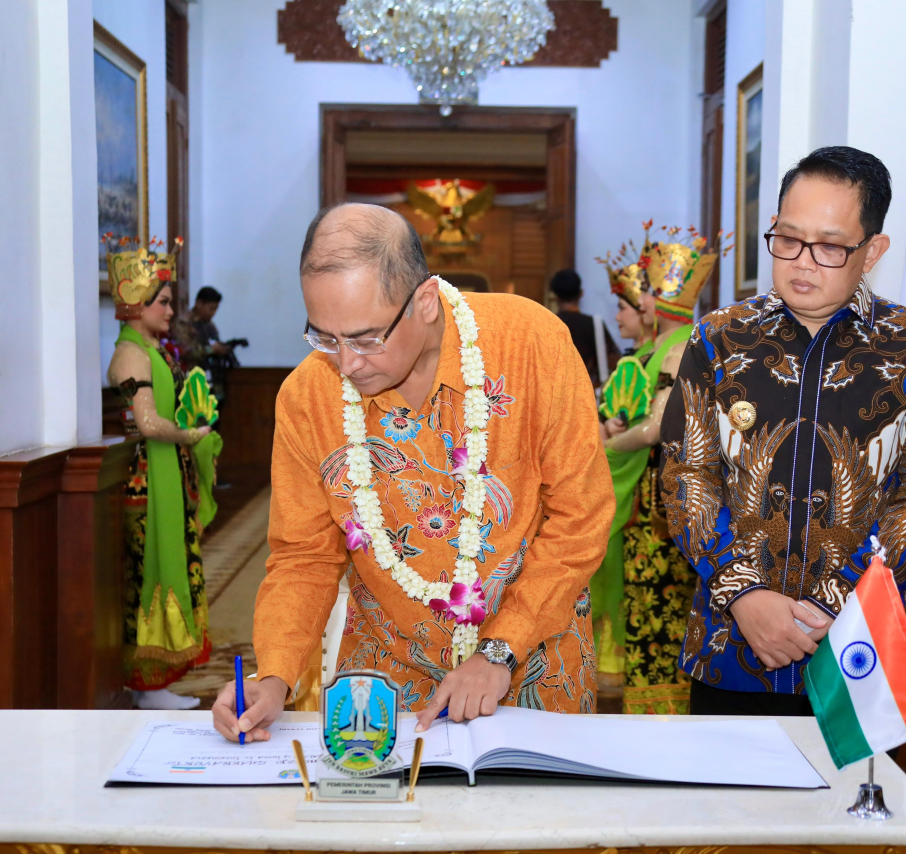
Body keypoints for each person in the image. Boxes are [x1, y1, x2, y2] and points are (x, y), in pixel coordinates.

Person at [211, 203, 611, 743]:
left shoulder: (530, 343)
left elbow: (581, 518)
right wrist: (274, 675)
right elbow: (304, 556)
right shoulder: (309, 398)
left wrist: (500, 649)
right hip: (383, 682)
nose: (346, 363)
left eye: (365, 338)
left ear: (424, 301)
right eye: (325, 337)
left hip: (534, 663)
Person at [659, 146, 906, 716]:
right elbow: (686, 477)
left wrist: (833, 601)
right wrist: (744, 594)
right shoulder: (717, 340)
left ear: (872, 251)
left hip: (855, 649)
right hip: (731, 645)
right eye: (788, 238)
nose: (802, 262)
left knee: (849, 778)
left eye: (829, 246)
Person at [594, 227, 715, 714]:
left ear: (662, 300)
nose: (638, 298)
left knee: (659, 606)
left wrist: (604, 447)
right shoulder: (664, 345)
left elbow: (659, 427)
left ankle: (664, 714)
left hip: (662, 499)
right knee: (643, 605)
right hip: (646, 494)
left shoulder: (680, 347)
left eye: (645, 290)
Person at [105, 243, 216, 711]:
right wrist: (191, 435)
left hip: (165, 473)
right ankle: (146, 684)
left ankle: (157, 682)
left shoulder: (150, 350)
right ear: (137, 302)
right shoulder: (131, 355)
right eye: (163, 301)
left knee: (171, 565)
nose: (171, 310)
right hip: (147, 482)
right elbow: (148, 424)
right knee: (149, 573)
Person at [171, 286, 246, 401]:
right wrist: (211, 349)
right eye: (211, 308)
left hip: (211, 380)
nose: (213, 313)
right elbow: (183, 351)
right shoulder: (183, 323)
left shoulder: (209, 325)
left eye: (215, 309)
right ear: (199, 304)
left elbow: (215, 341)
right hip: (190, 380)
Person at [551, 268, 618, 387]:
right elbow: (613, 361)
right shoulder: (594, 324)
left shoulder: (548, 325)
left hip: (555, 391)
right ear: (581, 293)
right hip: (587, 391)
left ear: (555, 296)